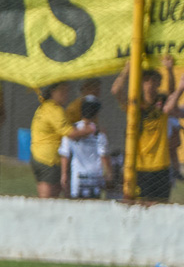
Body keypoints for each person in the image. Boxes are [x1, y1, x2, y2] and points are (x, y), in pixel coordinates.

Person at [112, 57, 179, 203]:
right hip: (140, 166)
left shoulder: (161, 102)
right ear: (141, 83)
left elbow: (172, 93)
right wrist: (126, 70)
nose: (151, 85)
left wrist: (169, 69)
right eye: (147, 81)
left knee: (161, 205)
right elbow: (116, 91)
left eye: (154, 81)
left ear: (158, 83)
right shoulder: (135, 104)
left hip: (161, 165)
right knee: (140, 204)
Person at [30, 81, 87, 199]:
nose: (66, 94)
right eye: (62, 91)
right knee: (48, 200)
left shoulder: (45, 107)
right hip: (49, 160)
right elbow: (70, 132)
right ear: (52, 92)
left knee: (51, 197)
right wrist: (89, 130)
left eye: (67, 91)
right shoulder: (54, 110)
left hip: (38, 155)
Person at [60, 96, 111, 199]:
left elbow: (65, 154)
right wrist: (109, 174)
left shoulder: (72, 131)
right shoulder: (99, 133)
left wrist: (64, 174)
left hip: (77, 178)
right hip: (95, 178)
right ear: (96, 113)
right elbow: (103, 156)